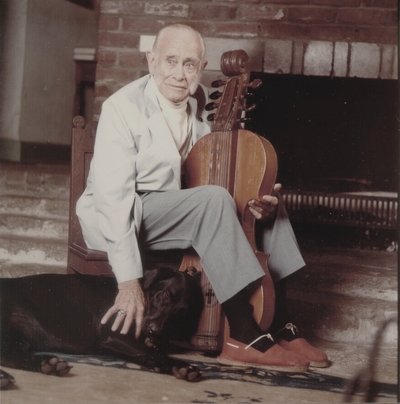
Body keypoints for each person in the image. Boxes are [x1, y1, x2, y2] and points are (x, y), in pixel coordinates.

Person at [76, 24, 328, 371]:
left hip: (176, 208)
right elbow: (113, 199)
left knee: (268, 202)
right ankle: (245, 334)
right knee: (213, 201)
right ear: (151, 61)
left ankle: (282, 324)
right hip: (126, 212)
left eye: (190, 64)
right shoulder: (123, 107)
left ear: (202, 67)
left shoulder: (197, 104)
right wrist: (129, 281)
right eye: (171, 61)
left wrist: (256, 200)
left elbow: (204, 173)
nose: (180, 75)